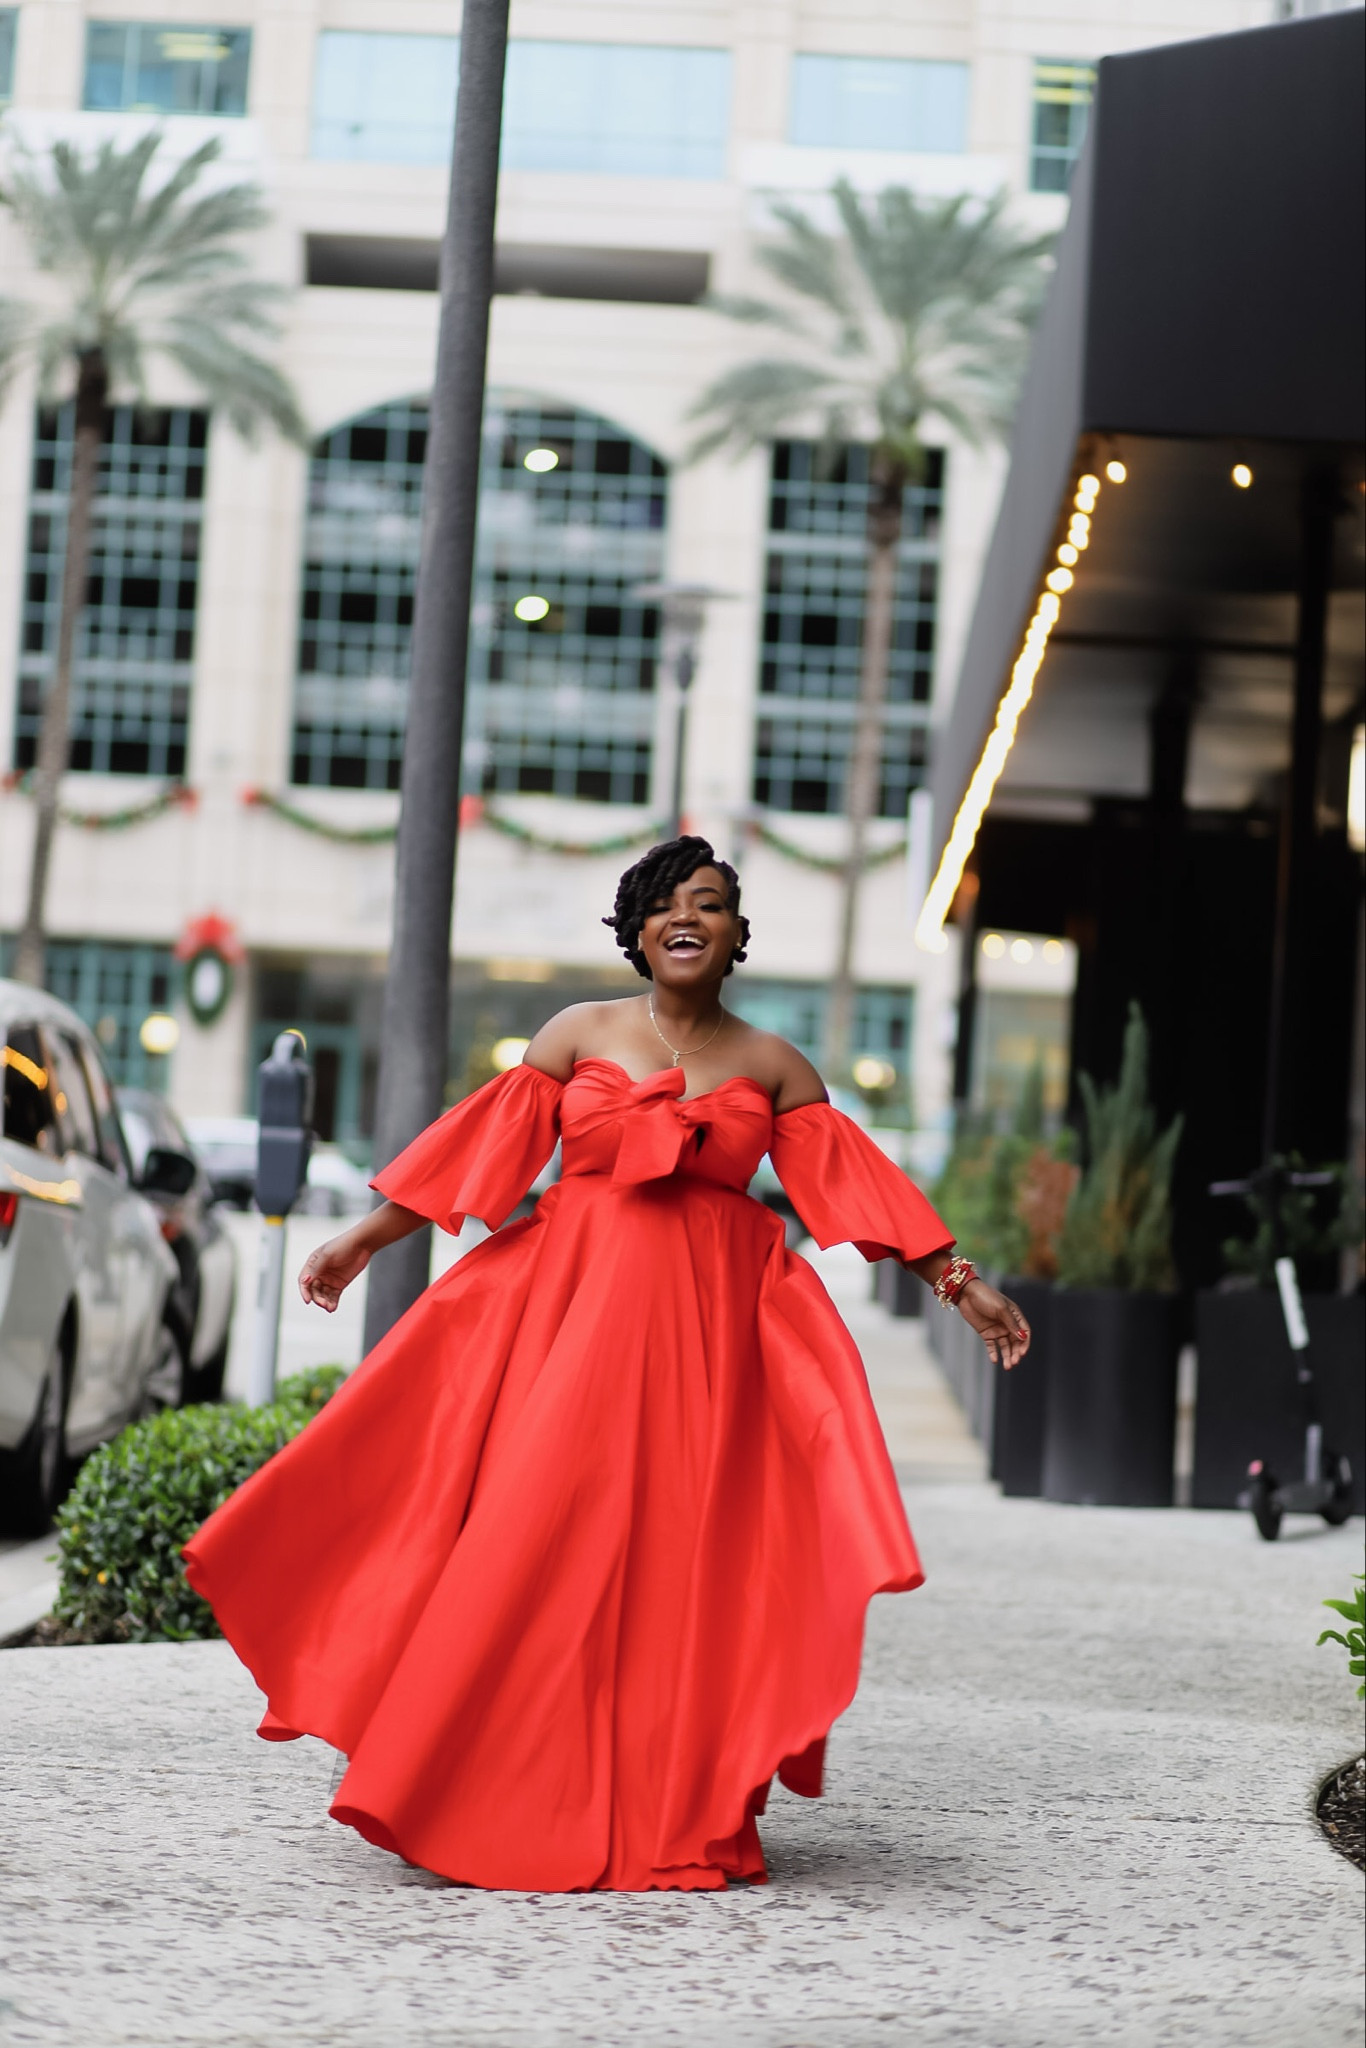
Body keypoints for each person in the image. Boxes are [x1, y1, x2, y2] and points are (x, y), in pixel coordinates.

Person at [184, 836, 1028, 1893]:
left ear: (734, 936)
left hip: (708, 1358)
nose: (689, 916)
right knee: (532, 1549)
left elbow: (854, 1185)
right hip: (566, 1334)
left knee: (686, 1576)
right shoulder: (575, 1031)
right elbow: (478, 1150)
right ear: (636, 929)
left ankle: (676, 1805)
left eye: (711, 903)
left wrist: (961, 1282)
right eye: (667, 901)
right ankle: (474, 1782)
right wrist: (362, 1239)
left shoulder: (773, 1064)